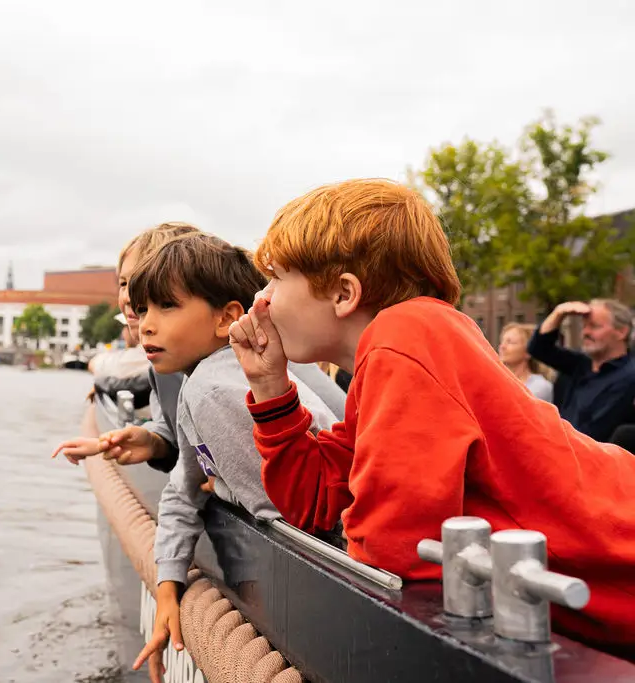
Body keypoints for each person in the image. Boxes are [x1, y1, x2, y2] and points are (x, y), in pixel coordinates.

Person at [228, 178, 635, 654]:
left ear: (344, 293)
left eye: (275, 277)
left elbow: (390, 552)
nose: (262, 299)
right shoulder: (389, 356)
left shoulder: (406, 336)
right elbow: (314, 502)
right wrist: (269, 387)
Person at [128, 233, 340, 680]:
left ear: (227, 318)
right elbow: (185, 487)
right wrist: (169, 582)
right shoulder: (202, 381)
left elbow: (287, 516)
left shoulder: (211, 390)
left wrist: (220, 485)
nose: (145, 324)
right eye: (143, 309)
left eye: (166, 306)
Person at [52, 223, 201, 466]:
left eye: (145, 282)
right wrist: (154, 442)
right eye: (124, 283)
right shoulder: (162, 367)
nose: (128, 296)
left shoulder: (230, 370)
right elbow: (174, 432)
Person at [527, 299, 635, 442]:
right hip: (563, 450)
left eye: (594, 326)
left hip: (596, 458)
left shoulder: (629, 375)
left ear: (621, 332)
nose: (585, 332)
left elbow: (598, 429)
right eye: (584, 326)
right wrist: (559, 313)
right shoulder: (580, 365)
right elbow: (538, 348)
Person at [498, 322, 554, 402]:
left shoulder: (539, 386)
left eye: (510, 342)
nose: (502, 346)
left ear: (528, 352)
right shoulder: (499, 382)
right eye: (502, 342)